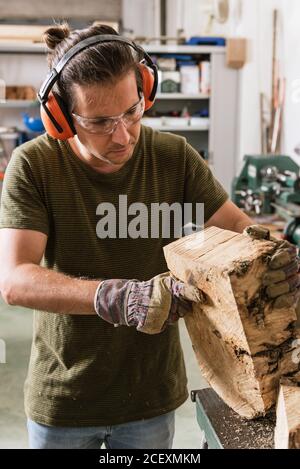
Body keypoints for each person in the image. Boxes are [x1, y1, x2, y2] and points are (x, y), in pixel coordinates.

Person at [0, 23, 298, 450]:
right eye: (100, 122)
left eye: (132, 112)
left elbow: (234, 226)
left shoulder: (172, 156)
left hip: (149, 396)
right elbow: (14, 279)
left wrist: (273, 254)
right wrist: (116, 297)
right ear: (61, 117)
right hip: (64, 397)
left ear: (144, 91)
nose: (122, 136)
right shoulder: (34, 166)